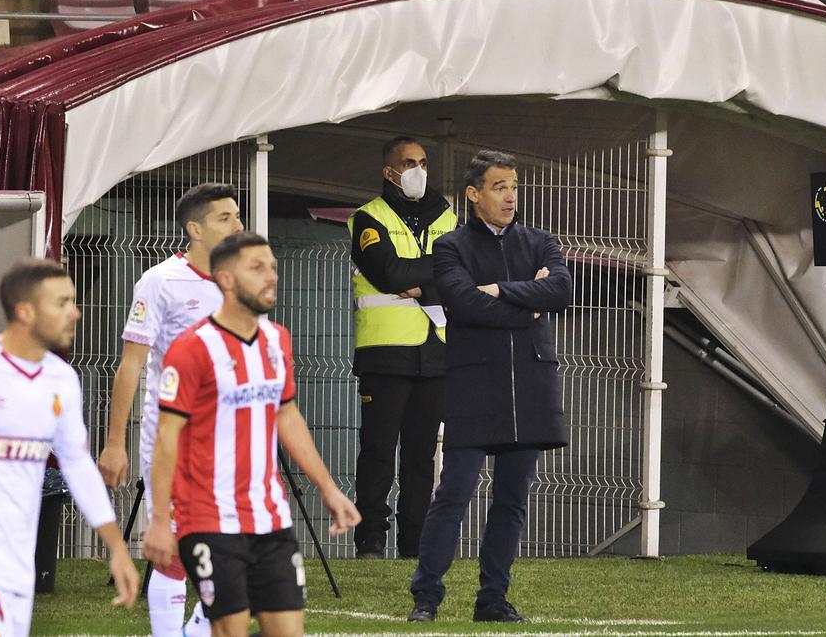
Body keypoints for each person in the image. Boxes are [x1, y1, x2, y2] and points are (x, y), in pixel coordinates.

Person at [142, 232, 360, 637]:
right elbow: (166, 437)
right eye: (257, 268)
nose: (271, 276)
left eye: (273, 267)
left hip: (270, 516)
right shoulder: (192, 348)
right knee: (231, 629)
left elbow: (288, 417)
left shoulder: (277, 340)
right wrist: (158, 520)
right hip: (208, 518)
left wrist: (329, 489)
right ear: (225, 279)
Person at [0, 258, 139, 636]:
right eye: (61, 303)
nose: (75, 312)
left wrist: (117, 547)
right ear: (24, 311)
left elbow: (77, 465)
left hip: (16, 561)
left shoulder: (61, 380)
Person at [407, 150, 572, 623]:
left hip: (531, 387)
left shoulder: (541, 242)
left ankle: (492, 599)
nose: (510, 196)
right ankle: (426, 596)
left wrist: (499, 291)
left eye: (514, 186)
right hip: (474, 385)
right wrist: (529, 303)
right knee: (454, 493)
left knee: (512, 500)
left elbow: (561, 290)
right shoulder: (451, 247)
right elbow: (462, 304)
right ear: (473, 194)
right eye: (500, 187)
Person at [97, 182, 243, 635]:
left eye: (238, 216)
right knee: (177, 551)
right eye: (226, 218)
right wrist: (114, 443)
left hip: (231, 440)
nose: (239, 226)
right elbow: (131, 364)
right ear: (194, 229)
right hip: (173, 439)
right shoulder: (160, 282)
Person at [348, 136, 456, 559]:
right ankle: (370, 540)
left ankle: (415, 543)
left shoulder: (446, 217)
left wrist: (421, 279)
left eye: (424, 162)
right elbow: (389, 272)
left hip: (435, 352)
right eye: (409, 162)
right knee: (377, 451)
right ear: (388, 170)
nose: (418, 170)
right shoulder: (367, 218)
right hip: (385, 352)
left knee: (421, 455)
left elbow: (461, 268)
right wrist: (435, 273)